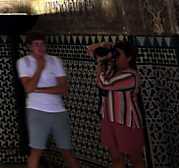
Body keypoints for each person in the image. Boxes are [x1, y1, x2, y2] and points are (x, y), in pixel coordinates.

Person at [17, 32, 81, 168]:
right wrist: (39, 68)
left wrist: (40, 90)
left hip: (58, 110)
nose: (40, 48)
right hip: (37, 110)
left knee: (67, 150)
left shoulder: (54, 61)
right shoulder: (24, 63)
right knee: (37, 150)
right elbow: (28, 87)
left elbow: (63, 88)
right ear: (29, 46)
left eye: (42, 44)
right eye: (36, 45)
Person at [88, 40, 144, 168]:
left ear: (129, 58)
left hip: (126, 122)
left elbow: (105, 84)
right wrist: (106, 46)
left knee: (136, 161)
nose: (115, 56)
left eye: (118, 54)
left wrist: (100, 64)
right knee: (117, 160)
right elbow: (90, 49)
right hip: (109, 118)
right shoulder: (113, 69)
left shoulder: (130, 76)